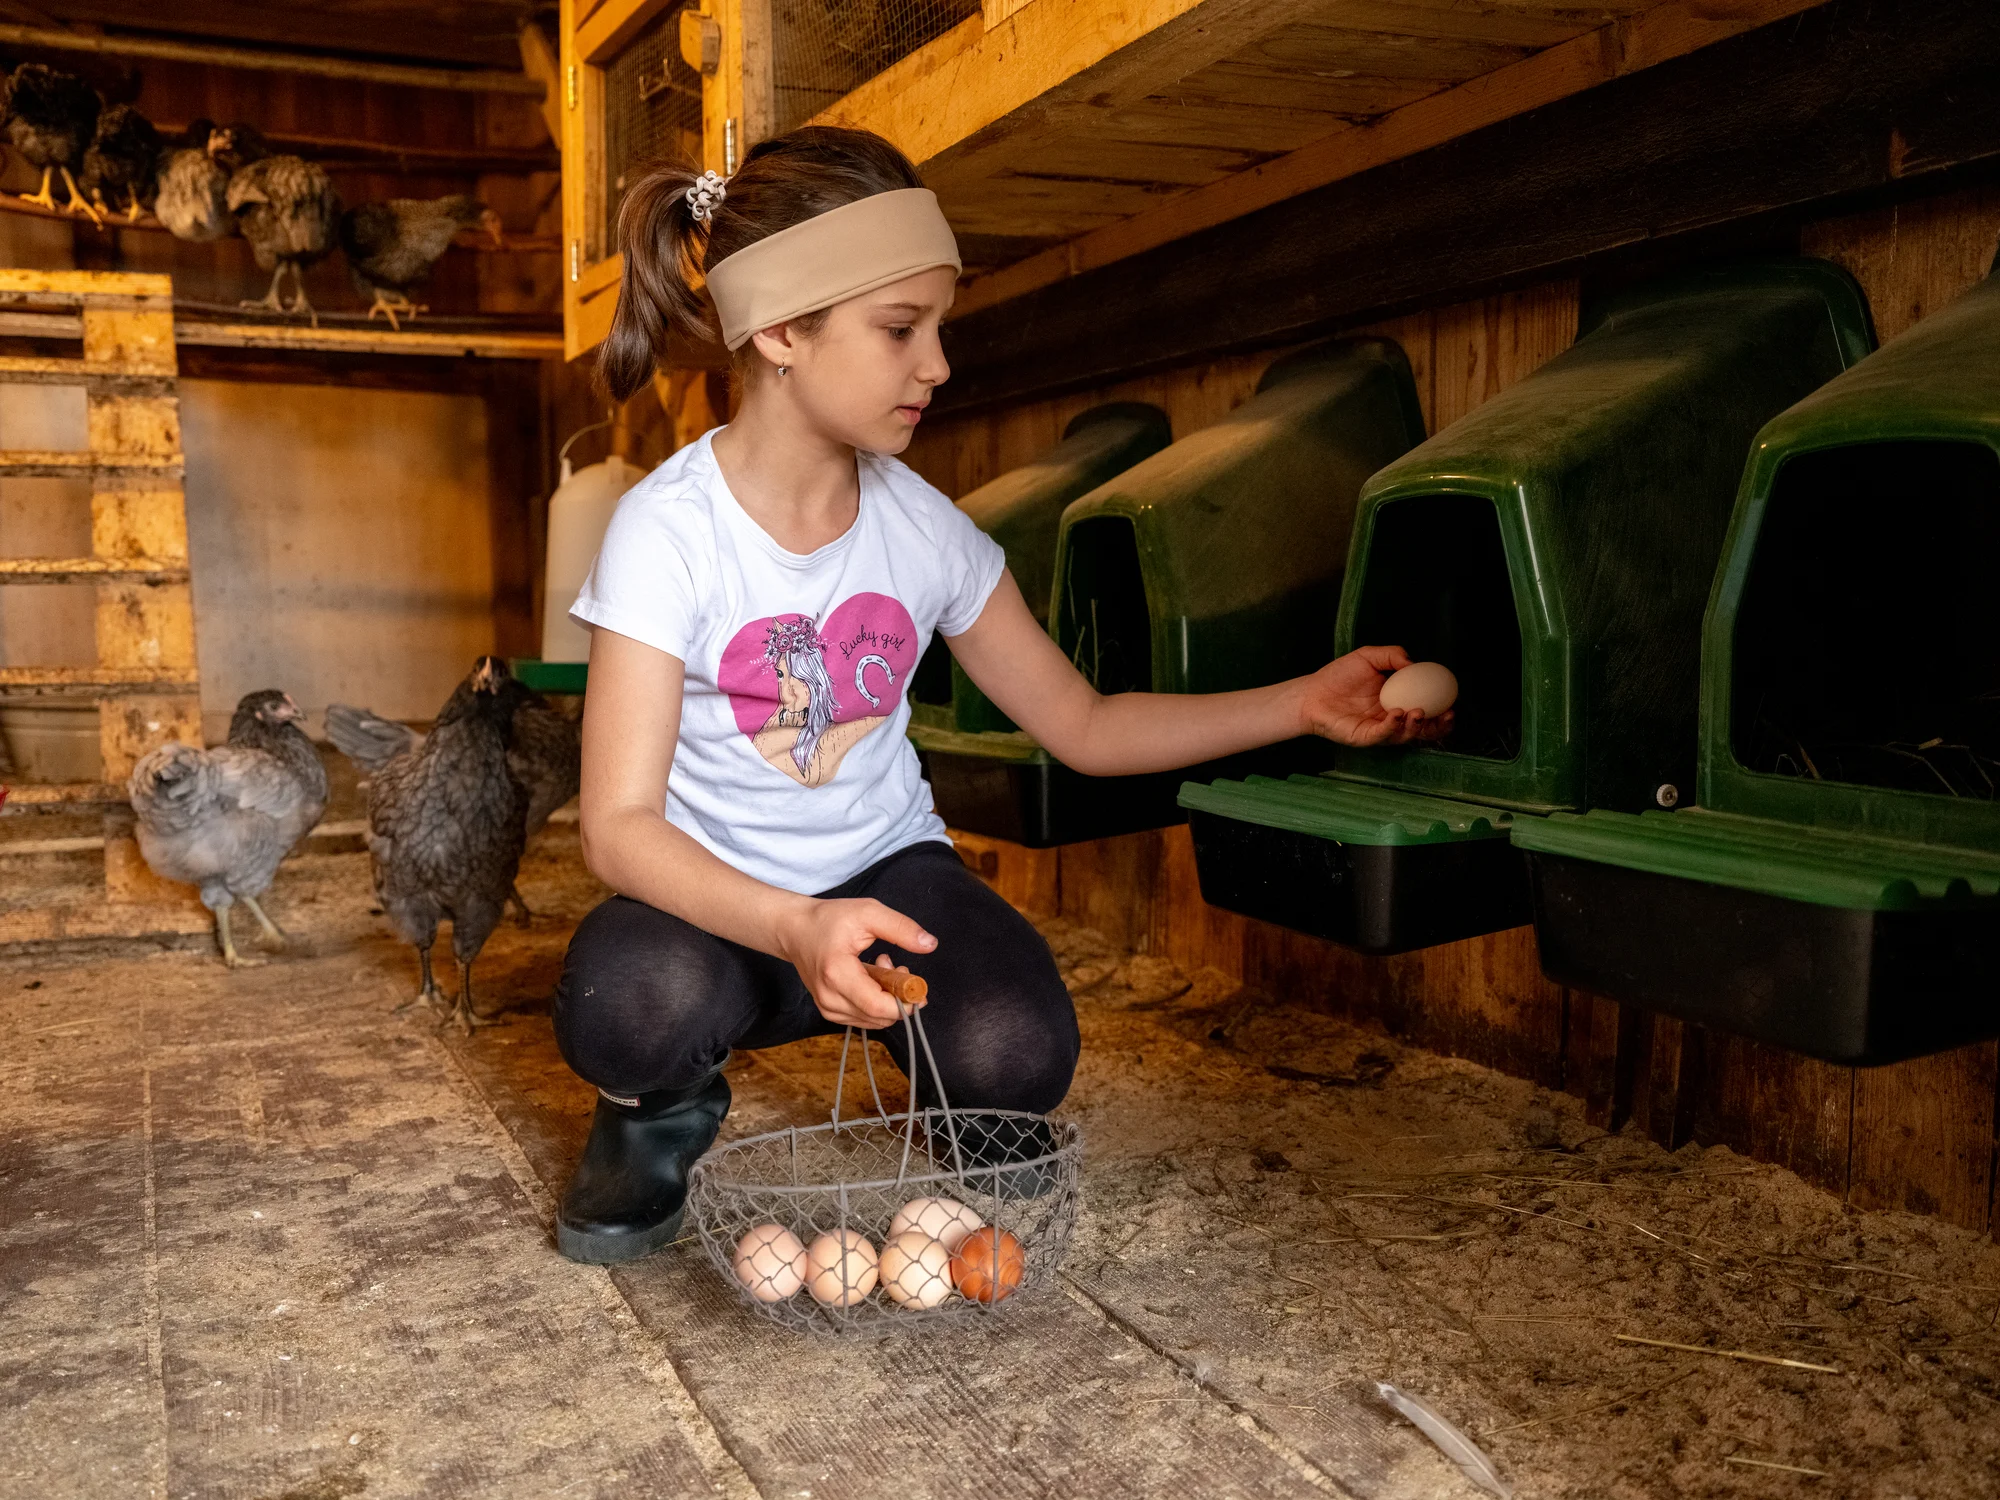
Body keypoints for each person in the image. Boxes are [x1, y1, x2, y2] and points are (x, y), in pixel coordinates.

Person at [552, 126, 1452, 1264]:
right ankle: (657, 1115)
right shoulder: (667, 534)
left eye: (937, 327)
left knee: (1017, 1055)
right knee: (629, 1005)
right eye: (897, 331)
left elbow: (1082, 725)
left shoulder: (922, 529)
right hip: (722, 907)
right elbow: (618, 827)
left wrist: (1300, 704)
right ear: (778, 331)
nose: (936, 365)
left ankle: (930, 1071)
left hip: (884, 876)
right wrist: (792, 923)